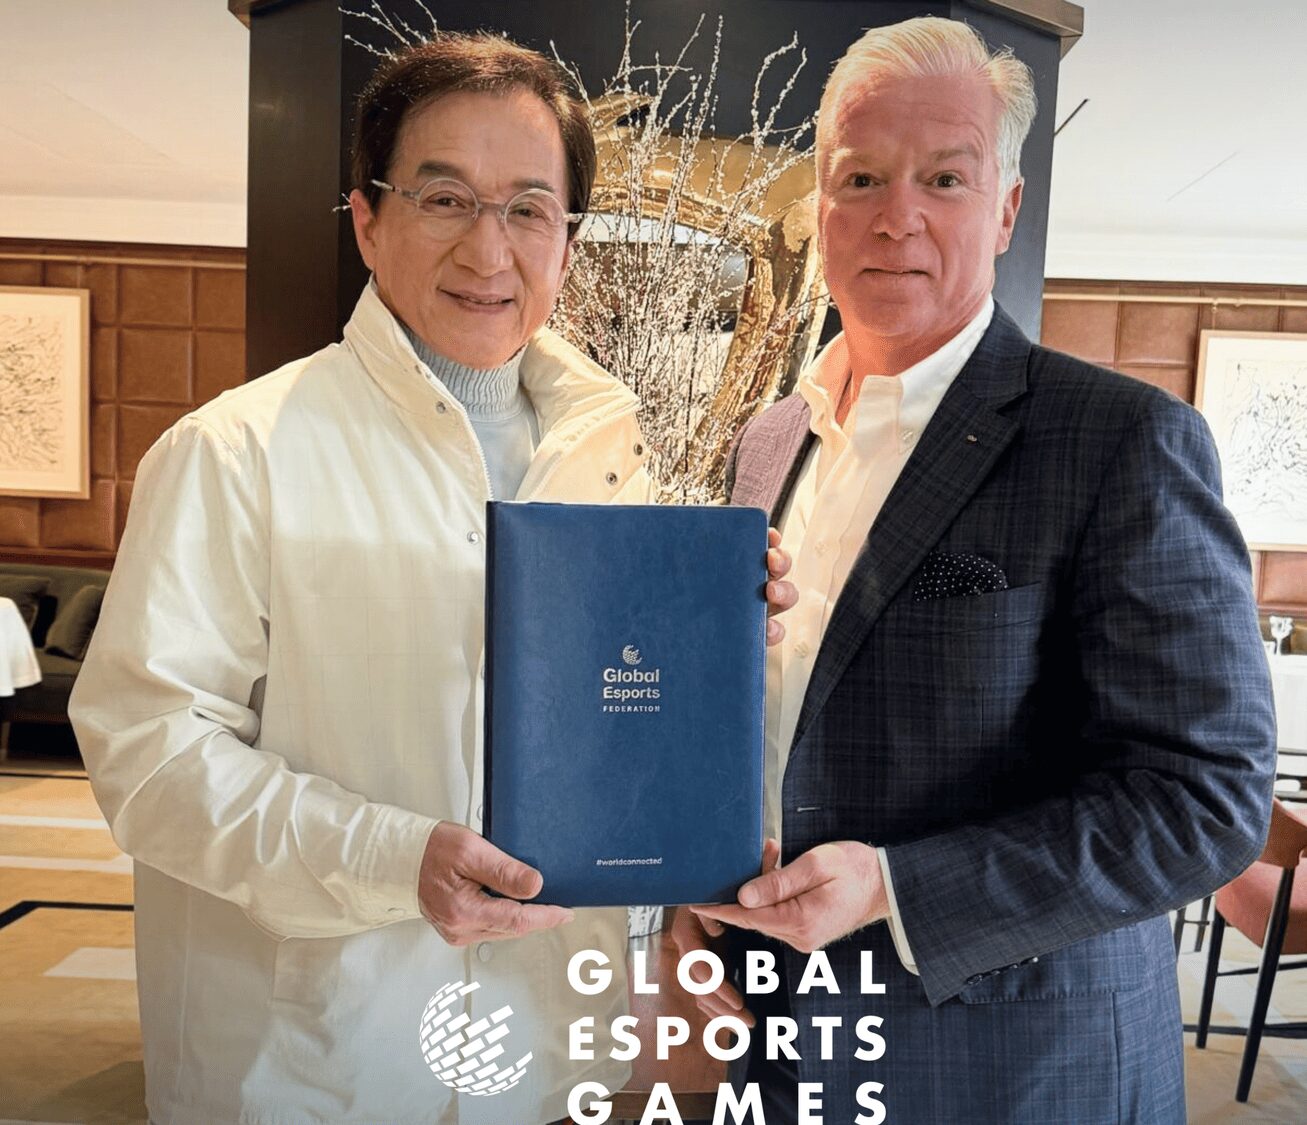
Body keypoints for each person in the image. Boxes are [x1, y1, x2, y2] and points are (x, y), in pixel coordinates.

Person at [70, 31, 794, 1125]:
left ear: (567, 241)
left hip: (547, 1046)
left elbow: (606, 729)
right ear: (368, 219)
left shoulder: (614, 460)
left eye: (528, 208)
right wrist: (389, 858)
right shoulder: (236, 453)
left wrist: (713, 656)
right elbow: (148, 754)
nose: (487, 248)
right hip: (314, 1062)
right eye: (444, 198)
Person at [676, 16, 1277, 1123]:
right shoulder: (766, 439)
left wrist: (896, 890)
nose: (894, 215)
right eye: (860, 177)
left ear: (1003, 210)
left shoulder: (1119, 439)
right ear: (820, 207)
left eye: (943, 178)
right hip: (775, 1036)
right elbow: (758, 712)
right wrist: (691, 890)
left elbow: (1203, 800)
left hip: (1014, 1069)